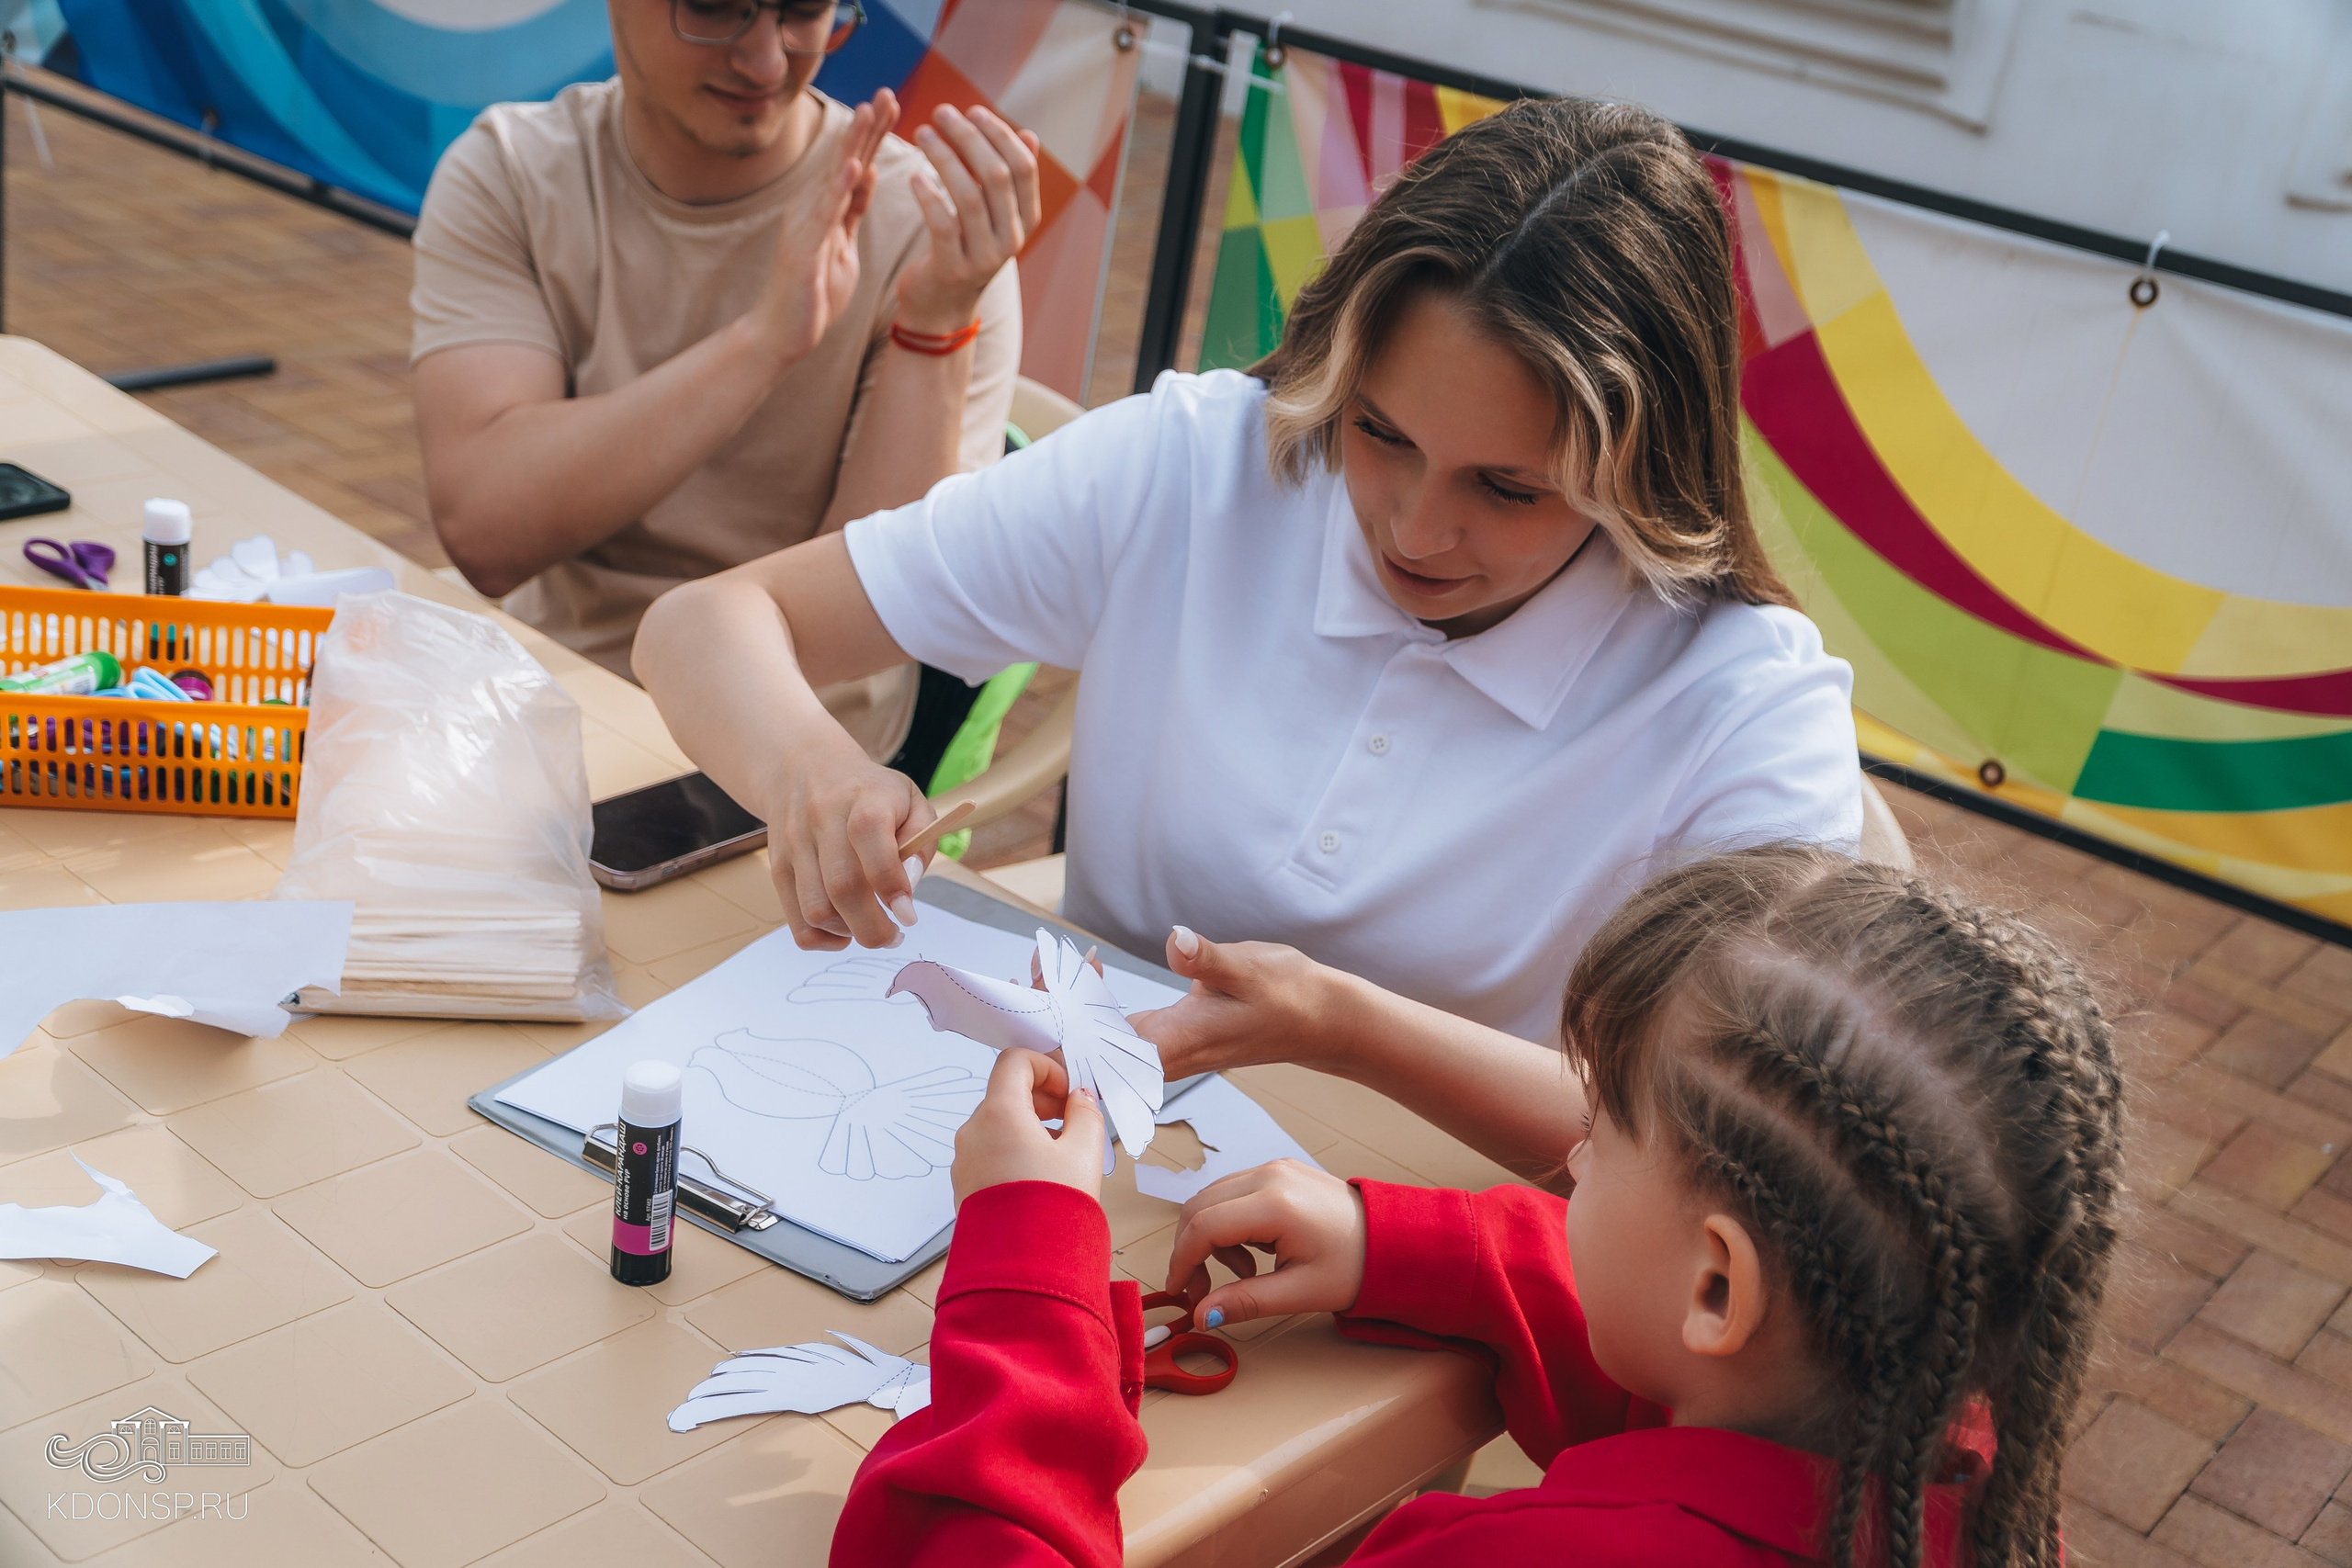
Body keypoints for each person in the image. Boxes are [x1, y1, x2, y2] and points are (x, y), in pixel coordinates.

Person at [637, 95, 1861, 1111]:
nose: (1416, 527)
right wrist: (814, 770)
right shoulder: (1211, 459)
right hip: (1053, 1157)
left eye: (1508, 488)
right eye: (1378, 431)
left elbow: (1732, 1136)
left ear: (1643, 473)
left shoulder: (1739, 704)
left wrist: (1344, 1029)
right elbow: (703, 625)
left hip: (1422, 1273)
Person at [831, 845, 2124, 1567]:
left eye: (1603, 1130)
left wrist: (1025, 1264)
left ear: (1720, 1282)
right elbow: (1705, 1386)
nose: (1567, 1144)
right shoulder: (1956, 1478)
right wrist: (1407, 1239)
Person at [411, 0, 1039, 761]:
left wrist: (936, 320)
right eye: (714, 9)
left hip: (793, 750)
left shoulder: (926, 234)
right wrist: (764, 341)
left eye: (805, 12)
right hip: (542, 699)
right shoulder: (512, 170)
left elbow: (872, 625)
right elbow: (487, 530)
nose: (768, 61)